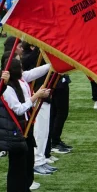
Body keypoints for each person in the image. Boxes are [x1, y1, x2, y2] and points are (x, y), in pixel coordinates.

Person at [0, 59, 51, 192]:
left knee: (21, 169)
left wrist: (38, 96)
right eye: (20, 68)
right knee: (16, 170)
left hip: (21, 129)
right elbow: (19, 109)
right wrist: (35, 97)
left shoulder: (17, 83)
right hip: (13, 133)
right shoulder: (7, 88)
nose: (23, 70)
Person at [19, 43, 57, 175]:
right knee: (39, 132)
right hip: (36, 98)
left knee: (44, 131)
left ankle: (41, 159)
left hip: (44, 96)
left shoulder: (33, 58)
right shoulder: (30, 57)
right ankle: (37, 161)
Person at [51, 74, 73, 154]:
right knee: (60, 113)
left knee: (57, 113)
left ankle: (55, 140)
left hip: (58, 80)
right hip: (56, 81)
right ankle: (54, 142)